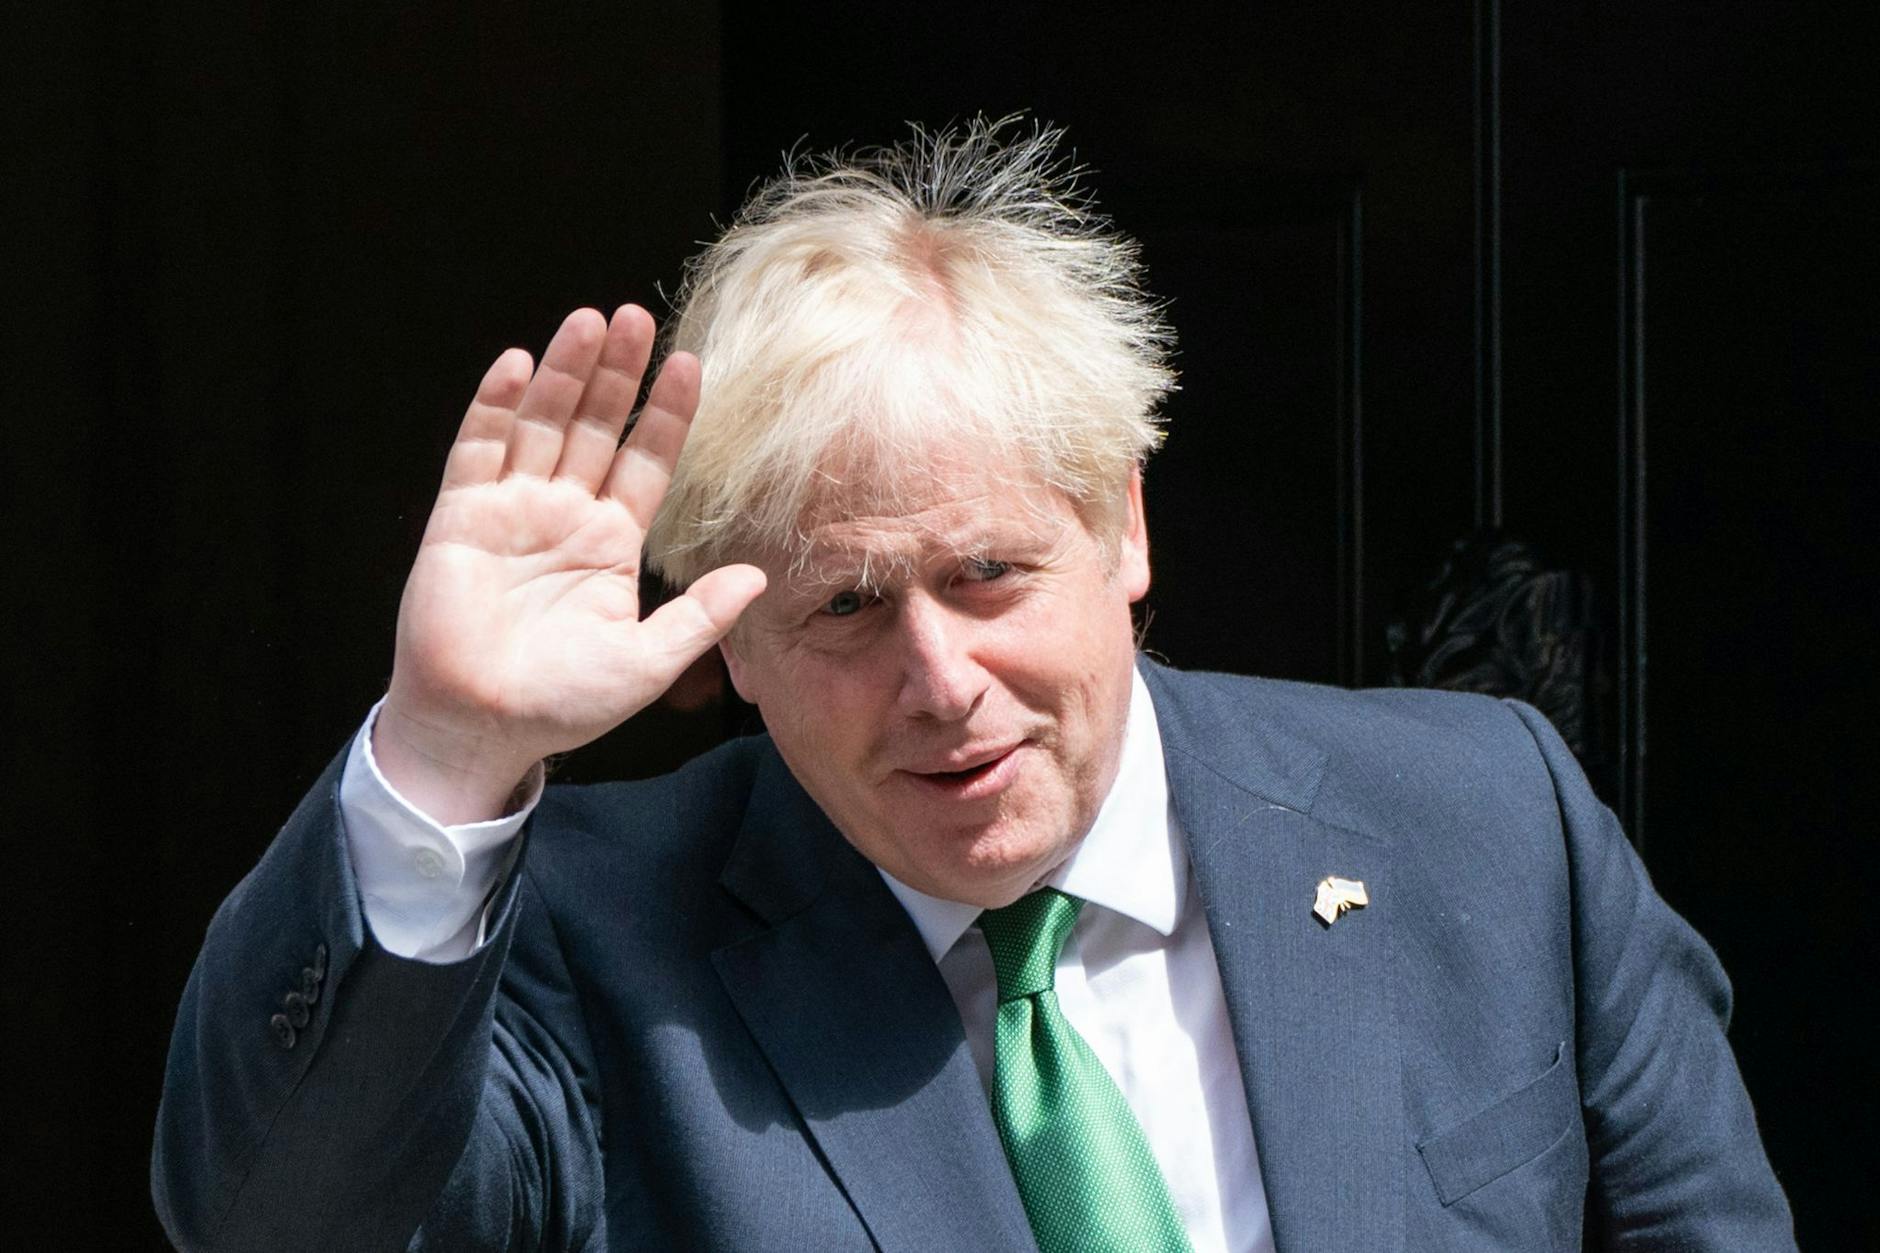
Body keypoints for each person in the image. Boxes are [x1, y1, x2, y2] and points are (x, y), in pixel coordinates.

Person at [152, 121, 1793, 1251]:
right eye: (847, 606)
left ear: (1124, 525)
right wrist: (445, 751)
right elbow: (286, 1223)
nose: (939, 677)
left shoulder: (1486, 823)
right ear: (725, 643)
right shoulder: (593, 944)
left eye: (990, 573)